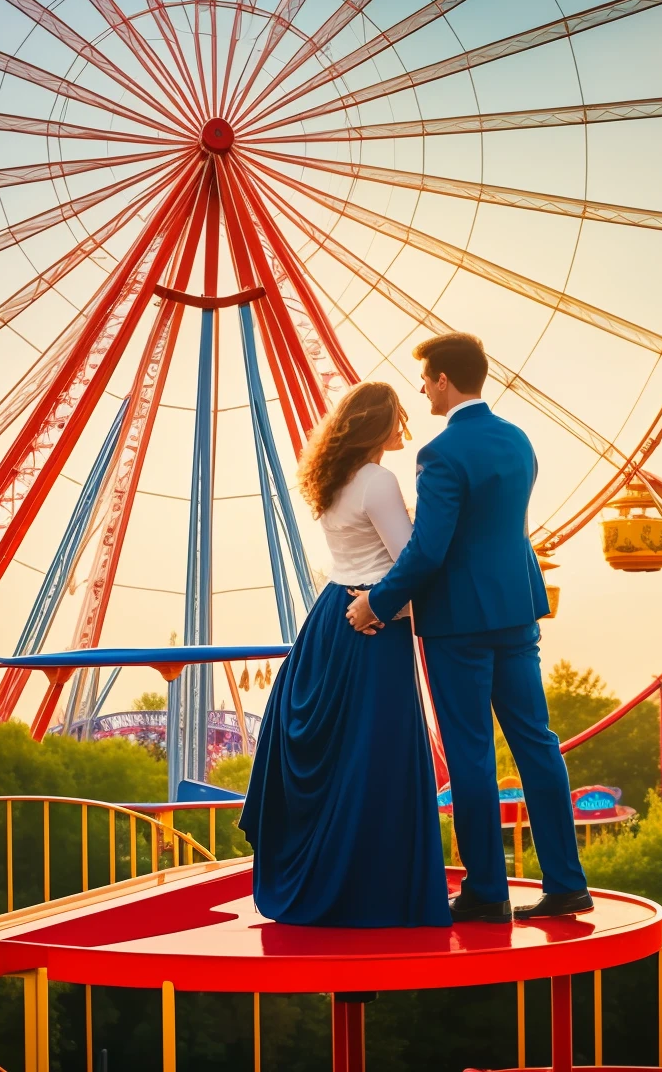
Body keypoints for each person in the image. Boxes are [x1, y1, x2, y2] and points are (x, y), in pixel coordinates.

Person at [346, 333, 592, 924]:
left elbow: (429, 551)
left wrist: (376, 603)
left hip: (458, 621)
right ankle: (566, 882)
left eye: (426, 379)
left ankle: (486, 890)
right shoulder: (518, 441)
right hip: (516, 609)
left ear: (445, 382)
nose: (423, 389)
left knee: (471, 755)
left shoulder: (439, 455)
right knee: (537, 742)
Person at [240, 382, 451, 928]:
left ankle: (328, 879)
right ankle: (373, 891)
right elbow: (412, 560)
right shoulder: (379, 480)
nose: (405, 426)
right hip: (373, 622)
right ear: (380, 425)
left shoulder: (333, 479)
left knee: (342, 760)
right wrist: (387, 606)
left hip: (332, 615)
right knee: (375, 759)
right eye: (398, 417)